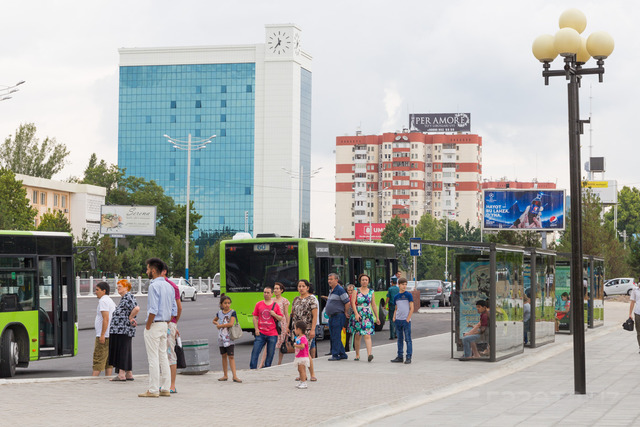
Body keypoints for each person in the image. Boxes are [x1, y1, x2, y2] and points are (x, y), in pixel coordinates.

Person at [139, 257, 177, 398]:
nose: (147, 271)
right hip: (165, 324)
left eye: (148, 269)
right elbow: (174, 310)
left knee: (153, 358)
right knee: (163, 356)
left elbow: (153, 309)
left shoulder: (154, 286)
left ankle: (153, 389)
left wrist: (148, 325)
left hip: (155, 324)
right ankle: (165, 388)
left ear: (154, 271)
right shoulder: (169, 286)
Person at [108, 279, 140, 381]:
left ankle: (121, 374)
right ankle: (128, 373)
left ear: (126, 287)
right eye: (117, 287)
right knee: (125, 350)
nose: (118, 289)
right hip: (121, 329)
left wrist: (130, 317)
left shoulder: (128, 296)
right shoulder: (124, 298)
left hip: (123, 329)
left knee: (122, 350)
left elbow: (136, 308)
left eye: (120, 287)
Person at [249, 286, 283, 369]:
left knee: (270, 354)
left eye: (268, 293)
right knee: (255, 352)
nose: (266, 294)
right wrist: (256, 329)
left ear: (272, 294)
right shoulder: (259, 304)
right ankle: (252, 369)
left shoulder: (275, 305)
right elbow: (255, 317)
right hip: (260, 333)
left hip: (272, 333)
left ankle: (267, 368)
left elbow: (280, 318)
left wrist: (274, 314)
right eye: (264, 292)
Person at [291, 279, 318, 381]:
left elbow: (315, 316)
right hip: (297, 330)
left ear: (307, 287)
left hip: (307, 329)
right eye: (299, 286)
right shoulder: (296, 300)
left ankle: (312, 374)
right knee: (298, 352)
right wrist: (292, 329)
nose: (301, 288)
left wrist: (313, 329)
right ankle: (302, 374)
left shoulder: (312, 299)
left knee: (306, 352)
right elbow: (293, 315)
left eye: (303, 286)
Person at [161, 265, 182, 394]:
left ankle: (172, 385)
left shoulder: (171, 286)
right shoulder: (158, 285)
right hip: (161, 324)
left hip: (168, 324)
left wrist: (174, 323)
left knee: (170, 354)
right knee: (161, 354)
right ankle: (165, 383)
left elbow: (179, 308)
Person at [351, 273, 380, 362]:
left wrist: (377, 317)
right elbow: (352, 303)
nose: (364, 281)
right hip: (358, 313)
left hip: (367, 314)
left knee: (367, 335)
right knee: (358, 335)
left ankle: (369, 354)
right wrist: (356, 314)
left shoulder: (371, 291)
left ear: (368, 281)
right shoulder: (356, 290)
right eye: (363, 280)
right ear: (360, 281)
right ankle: (357, 354)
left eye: (366, 280)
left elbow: (373, 304)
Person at [213, 295, 242, 383]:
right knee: (223, 356)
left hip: (229, 338)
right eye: (225, 303)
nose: (227, 305)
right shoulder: (219, 313)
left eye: (228, 303)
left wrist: (220, 326)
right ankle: (225, 375)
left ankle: (235, 376)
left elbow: (231, 324)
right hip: (221, 337)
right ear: (221, 304)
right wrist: (216, 323)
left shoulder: (232, 312)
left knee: (231, 356)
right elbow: (214, 320)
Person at [92, 282, 116, 376]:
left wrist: (102, 335)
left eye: (97, 290)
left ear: (104, 291)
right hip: (110, 334)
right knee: (108, 361)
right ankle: (108, 379)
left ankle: (93, 381)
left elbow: (105, 319)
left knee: (98, 359)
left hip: (104, 335)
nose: (95, 292)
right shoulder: (110, 300)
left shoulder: (103, 301)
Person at [326, 273, 350, 361]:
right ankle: (342, 354)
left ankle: (335, 354)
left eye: (331, 279)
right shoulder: (331, 290)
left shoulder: (340, 290)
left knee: (336, 335)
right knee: (333, 335)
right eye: (328, 279)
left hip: (338, 315)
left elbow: (347, 302)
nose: (329, 281)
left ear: (336, 280)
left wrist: (345, 312)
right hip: (332, 316)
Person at [390, 277, 414, 364]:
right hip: (398, 320)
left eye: (405, 284)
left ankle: (408, 357)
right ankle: (400, 356)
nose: (404, 286)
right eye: (403, 284)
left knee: (408, 339)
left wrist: (408, 318)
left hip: (406, 320)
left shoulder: (408, 295)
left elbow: (412, 308)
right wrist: (394, 317)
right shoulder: (396, 296)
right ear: (399, 285)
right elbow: (396, 308)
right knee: (399, 339)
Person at [293, 320, 310, 389]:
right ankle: (301, 381)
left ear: (299, 329)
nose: (294, 330)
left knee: (302, 369)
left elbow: (302, 346)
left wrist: (296, 345)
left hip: (303, 356)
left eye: (295, 328)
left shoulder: (303, 337)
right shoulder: (298, 337)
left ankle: (304, 382)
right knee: (299, 369)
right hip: (299, 356)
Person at [387, 276, 400, 340]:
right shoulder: (398, 289)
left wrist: (385, 305)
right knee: (397, 319)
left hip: (391, 305)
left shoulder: (390, 289)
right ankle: (396, 334)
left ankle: (392, 335)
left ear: (392, 282)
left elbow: (388, 298)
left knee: (392, 320)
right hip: (398, 306)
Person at [628, 282, 640, 353]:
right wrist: (630, 314)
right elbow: (632, 302)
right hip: (637, 313)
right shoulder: (635, 290)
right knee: (639, 331)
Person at [345, 284, 355, 352]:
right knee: (347, 333)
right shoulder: (345, 297)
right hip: (347, 317)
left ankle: (355, 347)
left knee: (354, 333)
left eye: (351, 290)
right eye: (349, 290)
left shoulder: (355, 297)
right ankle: (346, 348)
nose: (350, 292)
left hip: (353, 316)